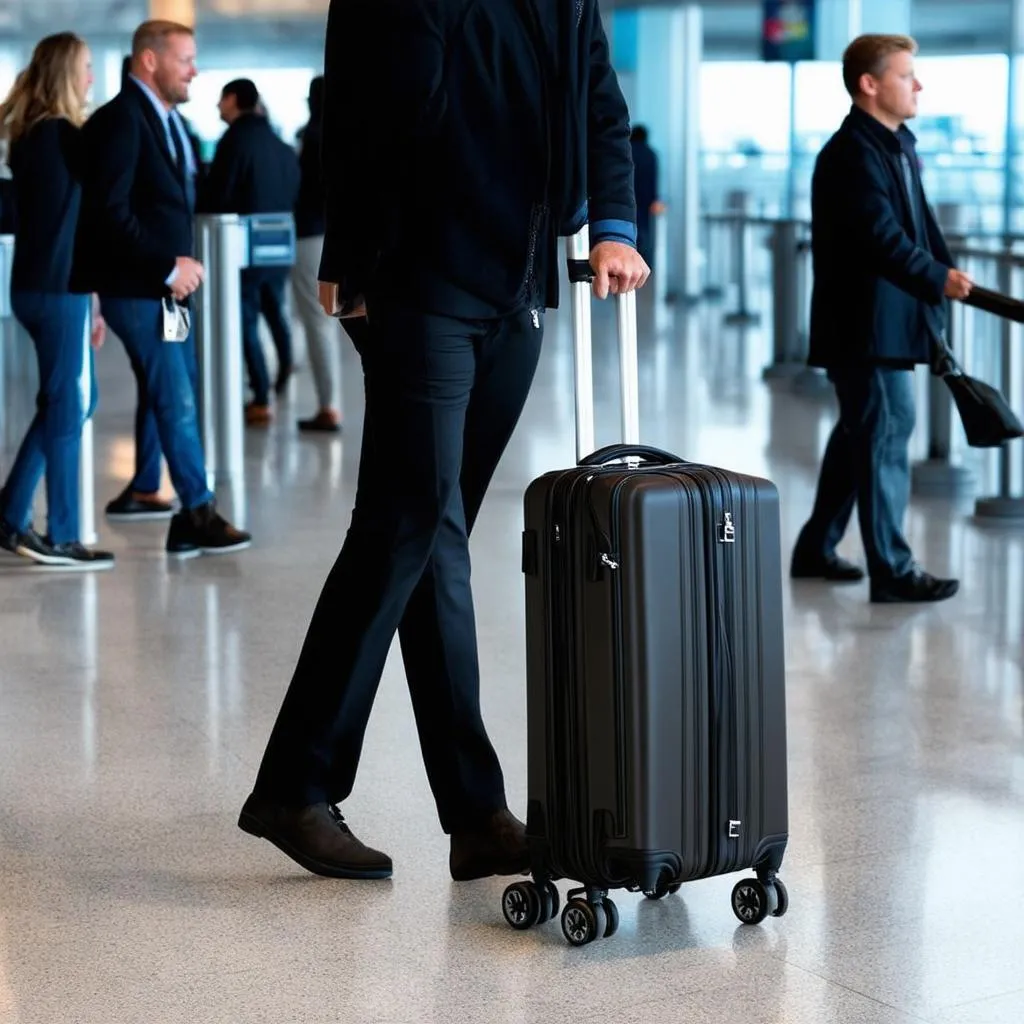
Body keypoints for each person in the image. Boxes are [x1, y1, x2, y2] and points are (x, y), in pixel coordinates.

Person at [239, 0, 649, 881]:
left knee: (435, 536)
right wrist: (348, 256)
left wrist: (614, 225)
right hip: (422, 279)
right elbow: (362, 108)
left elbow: (601, 105)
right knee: (404, 525)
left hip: (521, 286)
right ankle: (296, 786)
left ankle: (472, 814)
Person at [790, 33, 972, 603]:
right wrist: (935, 277)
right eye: (905, 74)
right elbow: (880, 236)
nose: (918, 85)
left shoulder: (895, 145)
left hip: (890, 323)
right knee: (887, 433)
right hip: (866, 329)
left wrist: (942, 275)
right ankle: (892, 569)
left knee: (861, 435)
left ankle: (815, 548)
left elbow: (919, 228)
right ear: (869, 84)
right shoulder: (851, 154)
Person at [72, 20, 252, 558]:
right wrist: (165, 267)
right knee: (176, 397)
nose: (194, 70)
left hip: (163, 288)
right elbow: (110, 210)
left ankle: (147, 486)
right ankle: (195, 511)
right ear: (149, 60)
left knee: (168, 388)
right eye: (185, 59)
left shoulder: (164, 120)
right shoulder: (123, 120)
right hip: (140, 286)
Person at [0, 32, 113, 569]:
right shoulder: (61, 137)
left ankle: (9, 514)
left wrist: (90, 297)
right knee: (68, 406)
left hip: (44, 285)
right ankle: (62, 533)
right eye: (87, 67)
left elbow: (66, 228)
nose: (92, 77)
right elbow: (76, 228)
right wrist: (86, 294)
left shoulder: (32, 135)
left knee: (71, 403)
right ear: (68, 72)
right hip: (54, 287)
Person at [203, 78, 301, 424]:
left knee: (245, 318)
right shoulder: (281, 145)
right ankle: (284, 365)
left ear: (232, 100)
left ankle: (260, 396)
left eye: (220, 100)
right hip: (279, 244)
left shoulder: (234, 141)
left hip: (244, 245)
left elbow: (218, 195)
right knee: (276, 310)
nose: (218, 107)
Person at [292, 75, 343, 433]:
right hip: (334, 236)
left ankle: (329, 405)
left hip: (311, 235)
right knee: (324, 320)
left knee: (317, 321)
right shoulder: (346, 132)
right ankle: (329, 401)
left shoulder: (313, 136)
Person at [630, 125, 663, 271]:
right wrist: (655, 199)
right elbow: (654, 180)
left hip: (628, 198)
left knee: (629, 231)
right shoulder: (651, 154)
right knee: (644, 232)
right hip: (645, 200)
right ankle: (644, 265)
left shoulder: (627, 151)